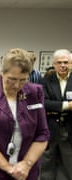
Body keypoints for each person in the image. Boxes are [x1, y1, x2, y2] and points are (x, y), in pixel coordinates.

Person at [0, 48, 50, 180]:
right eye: (12, 79)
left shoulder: (35, 92)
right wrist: (8, 168)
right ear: (1, 73)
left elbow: (43, 133)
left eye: (23, 80)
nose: (17, 85)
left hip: (26, 172)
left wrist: (27, 164)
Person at [40, 49, 72, 180]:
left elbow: (50, 103)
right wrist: (67, 106)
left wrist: (55, 107)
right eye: (59, 62)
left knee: (69, 162)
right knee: (47, 162)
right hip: (50, 128)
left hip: (69, 129)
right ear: (54, 64)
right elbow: (43, 103)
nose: (63, 65)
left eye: (66, 62)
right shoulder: (46, 81)